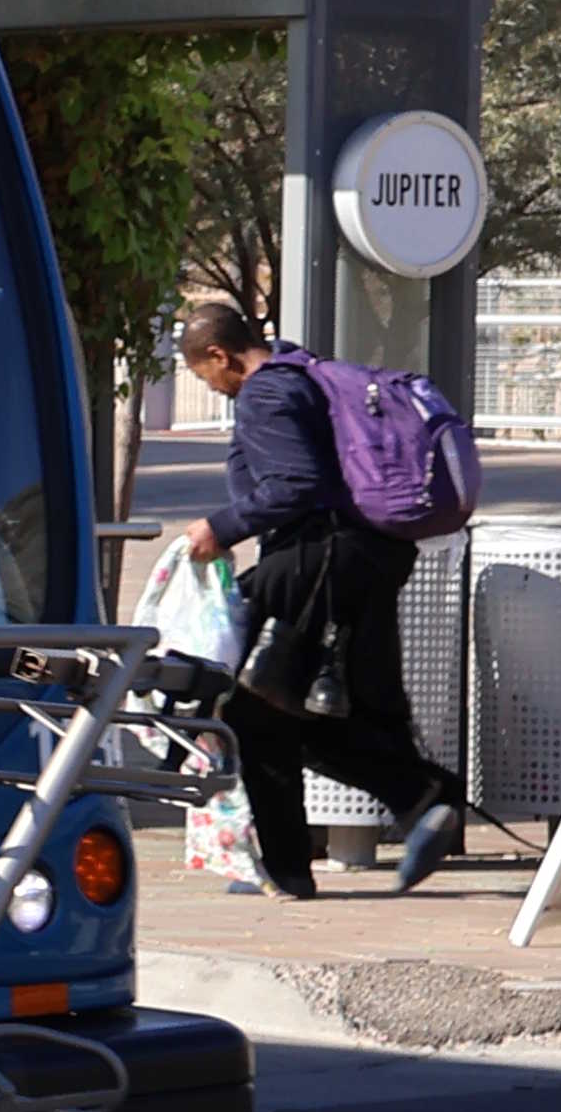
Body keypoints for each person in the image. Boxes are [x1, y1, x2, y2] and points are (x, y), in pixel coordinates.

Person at [174, 295, 466, 901]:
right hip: (367, 554)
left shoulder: (262, 394)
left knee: (251, 709)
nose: (213, 387)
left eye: (205, 375)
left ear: (217, 354)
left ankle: (294, 865)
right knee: (322, 709)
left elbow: (295, 485)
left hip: (315, 557)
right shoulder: (301, 371)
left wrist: (219, 528)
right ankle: (416, 799)